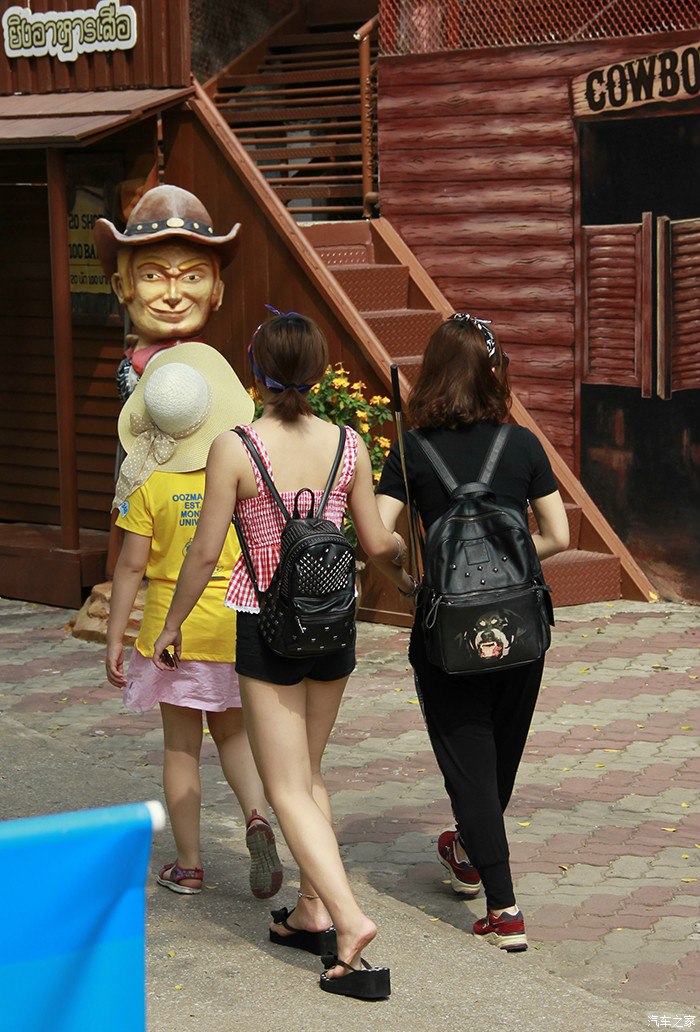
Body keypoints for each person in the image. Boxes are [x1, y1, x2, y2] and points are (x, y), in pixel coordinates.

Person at [152, 311, 405, 999]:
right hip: (334, 623)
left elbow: (205, 552)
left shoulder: (235, 447)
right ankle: (311, 910)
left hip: (267, 623)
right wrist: (407, 565)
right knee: (309, 774)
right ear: (319, 373)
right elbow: (376, 542)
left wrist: (172, 624)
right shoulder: (349, 443)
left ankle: (348, 921)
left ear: (254, 371)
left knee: (286, 786)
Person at [374, 313, 570, 952]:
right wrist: (509, 567)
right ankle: (469, 852)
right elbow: (560, 535)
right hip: (520, 628)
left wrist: (409, 581)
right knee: (496, 760)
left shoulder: (410, 449)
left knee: (470, 763)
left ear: (432, 372)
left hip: (446, 632)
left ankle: (504, 907)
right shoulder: (522, 445)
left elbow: (377, 537)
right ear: (494, 373)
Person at [105, 341, 283, 900]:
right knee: (233, 735)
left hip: (171, 631)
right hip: (233, 620)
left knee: (181, 748)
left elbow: (130, 566)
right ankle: (256, 816)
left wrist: (115, 637)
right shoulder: (236, 469)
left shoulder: (148, 481)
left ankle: (189, 866)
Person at [93, 183, 240, 402]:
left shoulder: (194, 370)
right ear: (121, 287)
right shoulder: (139, 354)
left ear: (216, 292)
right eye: (152, 276)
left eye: (191, 277)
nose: (173, 295)